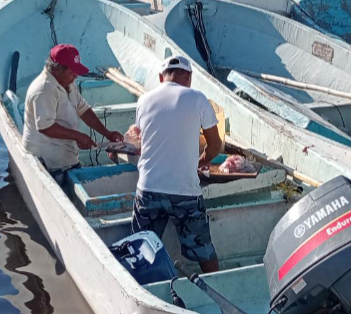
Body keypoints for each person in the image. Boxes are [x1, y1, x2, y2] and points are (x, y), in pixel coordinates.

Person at [131, 55, 223, 274]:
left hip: (149, 188)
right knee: (204, 251)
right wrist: (204, 160)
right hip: (185, 192)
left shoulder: (144, 100)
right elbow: (215, 145)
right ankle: (218, 288)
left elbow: (140, 139)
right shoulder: (198, 98)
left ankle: (139, 287)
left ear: (161, 77)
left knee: (138, 248)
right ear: (188, 77)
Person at [22, 44, 122, 177]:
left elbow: (84, 110)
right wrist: (77, 136)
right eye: (71, 72)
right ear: (57, 69)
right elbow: (46, 127)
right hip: (49, 164)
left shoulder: (68, 83)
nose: (76, 76)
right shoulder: (44, 89)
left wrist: (107, 133)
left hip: (67, 158)